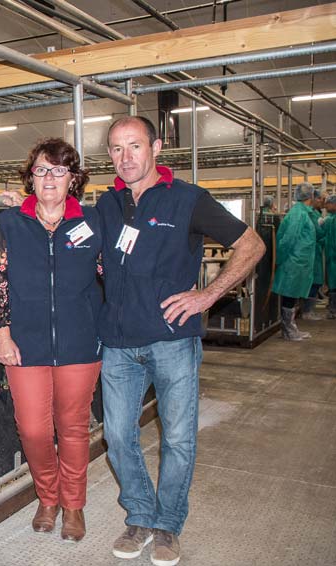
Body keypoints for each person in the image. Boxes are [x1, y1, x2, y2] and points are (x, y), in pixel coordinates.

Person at [95, 116, 265, 566]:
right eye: (116, 148)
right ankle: (141, 515)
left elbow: (252, 245)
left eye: (134, 146)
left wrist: (207, 295)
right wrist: (26, 203)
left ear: (156, 147)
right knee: (117, 434)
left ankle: (168, 525)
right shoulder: (106, 204)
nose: (125, 157)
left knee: (179, 439)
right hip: (117, 343)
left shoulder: (188, 199)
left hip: (172, 341)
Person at [0, 138, 102, 543]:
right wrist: (2, 335)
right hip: (25, 345)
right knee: (32, 429)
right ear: (30, 177)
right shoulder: (12, 223)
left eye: (58, 170)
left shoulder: (93, 223)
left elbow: (111, 276)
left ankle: (72, 505)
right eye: (41, 170)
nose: (49, 177)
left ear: (73, 178)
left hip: (80, 345)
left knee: (73, 428)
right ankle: (46, 495)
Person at [272, 182, 318, 339]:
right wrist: (281, 259)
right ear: (310, 196)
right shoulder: (299, 214)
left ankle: (290, 329)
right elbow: (288, 239)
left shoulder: (303, 213)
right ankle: (289, 331)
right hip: (293, 263)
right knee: (289, 296)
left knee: (292, 295)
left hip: (298, 262)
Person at [299, 189, 326, 320]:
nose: (322, 201)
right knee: (312, 282)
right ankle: (306, 311)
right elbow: (317, 232)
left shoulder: (313, 213)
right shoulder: (305, 214)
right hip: (309, 252)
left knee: (315, 281)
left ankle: (308, 310)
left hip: (314, 251)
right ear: (313, 198)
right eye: (320, 198)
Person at [323, 194, 336, 319]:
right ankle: (333, 308)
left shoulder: (332, 219)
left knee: (333, 284)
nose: (326, 205)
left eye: (328, 203)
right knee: (332, 283)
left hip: (333, 256)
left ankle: (333, 309)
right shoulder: (330, 219)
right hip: (331, 257)